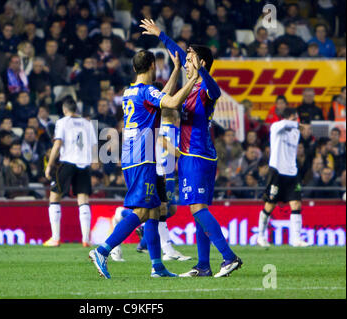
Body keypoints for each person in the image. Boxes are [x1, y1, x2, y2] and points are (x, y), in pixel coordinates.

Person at [141, 18, 243, 278]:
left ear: (202, 64)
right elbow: (177, 52)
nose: (185, 62)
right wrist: (160, 35)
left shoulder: (205, 88)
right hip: (195, 155)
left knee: (197, 209)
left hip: (196, 154)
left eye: (190, 60)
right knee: (200, 211)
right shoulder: (193, 85)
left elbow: (217, 91)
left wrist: (202, 71)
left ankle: (229, 257)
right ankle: (203, 266)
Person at [89, 45, 200, 279]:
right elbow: (171, 103)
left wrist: (177, 69)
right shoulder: (146, 92)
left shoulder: (130, 92)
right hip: (142, 157)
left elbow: (162, 97)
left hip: (134, 156)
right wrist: (192, 80)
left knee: (154, 211)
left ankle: (157, 267)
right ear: (152, 66)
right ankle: (102, 250)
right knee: (141, 212)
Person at [110, 108, 191, 262]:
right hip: (159, 171)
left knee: (168, 209)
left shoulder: (170, 128)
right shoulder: (161, 126)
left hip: (166, 173)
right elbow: (160, 141)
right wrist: (182, 155)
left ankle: (143, 239)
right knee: (158, 210)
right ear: (176, 118)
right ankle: (167, 249)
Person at [43, 97, 98, 248]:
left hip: (67, 162)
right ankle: (86, 239)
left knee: (54, 196)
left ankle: (55, 238)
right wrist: (94, 161)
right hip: (84, 164)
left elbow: (58, 143)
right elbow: (94, 146)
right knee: (83, 199)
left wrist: (50, 164)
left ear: (64, 109)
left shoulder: (62, 122)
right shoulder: (87, 124)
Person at [257, 108, 310, 248]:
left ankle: (296, 239)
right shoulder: (276, 127)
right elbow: (285, 124)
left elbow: (294, 127)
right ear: (287, 118)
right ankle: (260, 236)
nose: (297, 121)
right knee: (270, 205)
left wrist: (297, 126)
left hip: (292, 172)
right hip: (277, 171)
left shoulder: (296, 132)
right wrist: (295, 124)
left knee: (296, 204)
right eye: (294, 118)